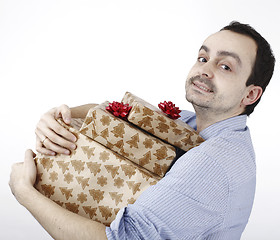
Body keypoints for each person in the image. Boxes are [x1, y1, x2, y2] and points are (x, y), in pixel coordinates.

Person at [9, 21, 275, 239]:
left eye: (225, 66)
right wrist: (60, 114)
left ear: (250, 94)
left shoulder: (214, 161)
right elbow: (119, 110)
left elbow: (123, 238)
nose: (205, 70)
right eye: (203, 57)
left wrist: (24, 191)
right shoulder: (193, 125)